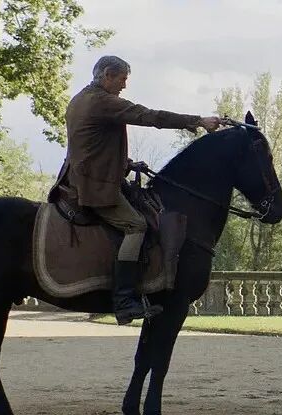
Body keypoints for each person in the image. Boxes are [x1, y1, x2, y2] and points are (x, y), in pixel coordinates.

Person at [49, 55, 221, 325]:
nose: (124, 86)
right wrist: (198, 121)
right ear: (107, 75)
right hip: (93, 186)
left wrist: (126, 164)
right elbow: (148, 115)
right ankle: (124, 300)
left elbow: (91, 147)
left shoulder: (81, 99)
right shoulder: (102, 101)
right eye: (122, 79)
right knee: (136, 225)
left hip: (83, 177)